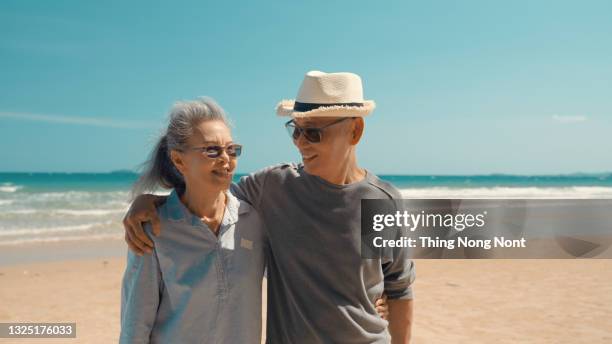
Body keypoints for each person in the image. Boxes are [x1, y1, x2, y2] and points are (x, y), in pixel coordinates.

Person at [124, 71, 415, 343]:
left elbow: (399, 288)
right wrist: (150, 201)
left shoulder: (382, 203)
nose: (300, 143)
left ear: (355, 131)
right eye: (295, 131)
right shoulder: (273, 188)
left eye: (313, 133)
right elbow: (205, 198)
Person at [120, 98, 266, 343]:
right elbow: (135, 324)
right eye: (212, 150)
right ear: (179, 160)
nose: (226, 160)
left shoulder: (253, 220)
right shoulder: (153, 228)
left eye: (231, 149)